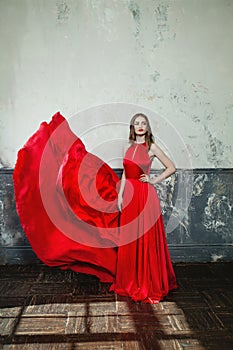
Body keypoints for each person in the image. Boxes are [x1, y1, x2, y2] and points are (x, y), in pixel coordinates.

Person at [110, 113, 178, 304]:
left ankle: (148, 282)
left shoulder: (152, 147)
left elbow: (171, 167)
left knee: (145, 238)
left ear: (147, 128)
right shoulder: (127, 147)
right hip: (130, 197)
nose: (140, 126)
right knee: (130, 238)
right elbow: (125, 173)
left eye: (143, 123)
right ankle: (131, 280)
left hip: (145, 197)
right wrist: (120, 195)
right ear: (132, 127)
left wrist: (153, 180)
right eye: (136, 123)